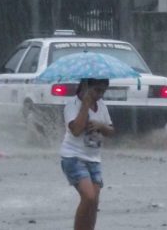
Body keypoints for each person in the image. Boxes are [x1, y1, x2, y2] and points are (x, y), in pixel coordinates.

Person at [59, 78, 115, 230]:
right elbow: (76, 130)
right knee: (88, 197)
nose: (100, 95)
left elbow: (111, 131)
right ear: (85, 86)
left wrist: (100, 126)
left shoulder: (102, 106)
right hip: (74, 157)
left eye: (103, 91)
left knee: (94, 201)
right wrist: (85, 105)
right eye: (96, 90)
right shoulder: (73, 105)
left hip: (94, 158)